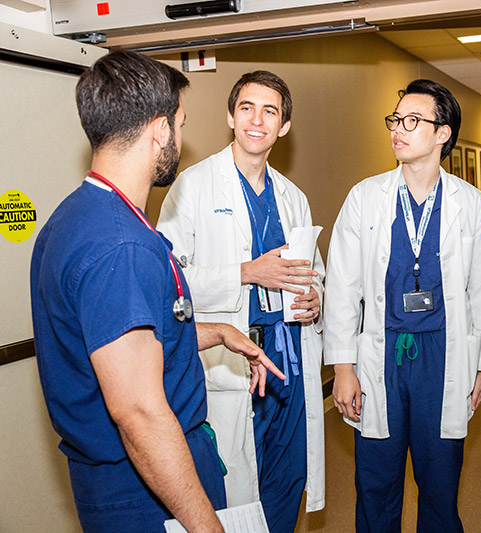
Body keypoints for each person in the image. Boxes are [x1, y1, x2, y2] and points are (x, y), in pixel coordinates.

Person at [30, 50, 284, 532]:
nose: (180, 140)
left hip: (123, 479)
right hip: (146, 488)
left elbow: (129, 339)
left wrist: (218, 332)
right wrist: (206, 526)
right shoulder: (121, 247)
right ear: (160, 129)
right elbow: (139, 412)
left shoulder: (76, 217)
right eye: (180, 125)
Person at [324, 79, 481, 532]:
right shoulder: (365, 197)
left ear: (443, 133)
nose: (397, 130)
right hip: (381, 353)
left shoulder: (471, 203)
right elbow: (343, 287)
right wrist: (343, 367)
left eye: (412, 121)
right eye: (395, 120)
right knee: (376, 482)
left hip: (444, 355)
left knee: (440, 483)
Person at [157, 71, 325, 532]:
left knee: (285, 483)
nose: (257, 119)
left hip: (286, 362)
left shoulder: (293, 198)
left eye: (270, 111)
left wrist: (315, 301)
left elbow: (315, 273)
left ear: (284, 126)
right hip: (228, 365)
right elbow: (166, 282)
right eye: (247, 108)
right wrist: (246, 273)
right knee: (232, 492)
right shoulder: (192, 187)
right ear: (230, 116)